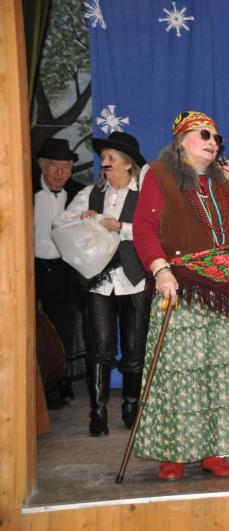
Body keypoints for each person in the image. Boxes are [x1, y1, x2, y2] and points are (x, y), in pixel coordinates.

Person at [132, 111, 229, 480]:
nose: (213, 142)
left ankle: (214, 451)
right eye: (203, 134)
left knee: (221, 377)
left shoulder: (226, 182)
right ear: (181, 141)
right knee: (182, 376)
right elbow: (144, 228)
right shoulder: (159, 174)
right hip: (183, 289)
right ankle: (174, 455)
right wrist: (161, 270)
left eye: (216, 137)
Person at [57, 131, 149, 436]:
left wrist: (120, 227)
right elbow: (64, 223)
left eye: (111, 158)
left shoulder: (146, 194)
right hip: (98, 282)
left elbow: (157, 231)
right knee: (99, 349)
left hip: (134, 281)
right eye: (103, 158)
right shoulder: (90, 193)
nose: (104, 163)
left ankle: (131, 407)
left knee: (134, 349)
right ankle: (97, 413)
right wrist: (84, 219)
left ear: (128, 164)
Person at [33, 138, 87, 408]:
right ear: (42, 165)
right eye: (55, 166)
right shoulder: (26, 191)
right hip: (29, 269)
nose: (60, 173)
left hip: (63, 271)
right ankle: (30, 387)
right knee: (26, 328)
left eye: (66, 168)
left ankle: (55, 385)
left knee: (63, 329)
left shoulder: (79, 193)